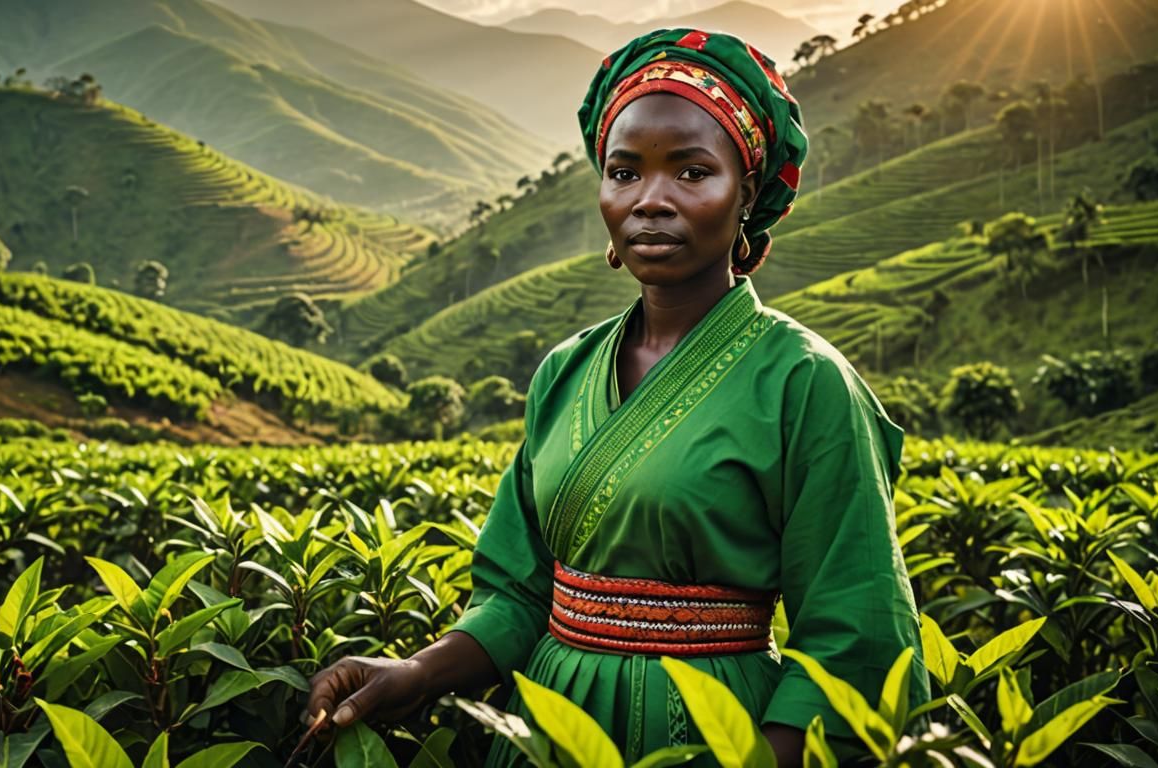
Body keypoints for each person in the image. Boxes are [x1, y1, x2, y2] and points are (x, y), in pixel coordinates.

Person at [306, 28, 927, 767]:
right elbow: (518, 592)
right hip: (546, 730)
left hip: (715, 735)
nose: (651, 201)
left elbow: (854, 636)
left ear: (748, 194)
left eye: (692, 173)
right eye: (625, 173)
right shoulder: (565, 371)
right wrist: (414, 672)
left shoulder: (804, 382)